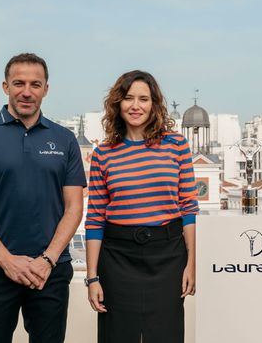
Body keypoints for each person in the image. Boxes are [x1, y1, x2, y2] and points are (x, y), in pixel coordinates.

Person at [0, 53, 86, 343]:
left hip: (50, 271)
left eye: (35, 84)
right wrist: (7, 261)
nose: (27, 91)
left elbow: (74, 208)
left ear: (46, 89)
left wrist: (47, 260)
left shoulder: (64, 139)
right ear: (5, 87)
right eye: (19, 83)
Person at [85, 70, 198, 343]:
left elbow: (188, 208)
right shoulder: (103, 153)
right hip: (117, 258)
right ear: (117, 104)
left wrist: (191, 263)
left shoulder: (177, 145)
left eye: (143, 99)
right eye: (128, 98)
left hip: (168, 256)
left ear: (154, 104)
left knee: (166, 336)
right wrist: (92, 278)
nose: (136, 106)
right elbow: (95, 219)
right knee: (117, 336)